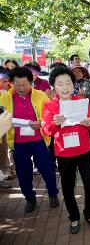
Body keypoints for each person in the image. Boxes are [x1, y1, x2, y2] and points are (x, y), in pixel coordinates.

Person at [41, 67, 90, 234]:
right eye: (60, 84)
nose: (65, 87)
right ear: (53, 86)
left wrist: (89, 123)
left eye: (68, 82)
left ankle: (89, 213)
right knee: (67, 187)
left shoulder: (81, 101)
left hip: (84, 151)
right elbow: (46, 130)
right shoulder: (50, 106)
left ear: (73, 84)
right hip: (64, 153)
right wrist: (55, 123)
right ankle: (73, 216)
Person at [0, 67, 59, 212]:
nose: (21, 88)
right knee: (23, 172)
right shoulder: (4, 98)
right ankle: (30, 198)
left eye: (25, 85)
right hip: (18, 142)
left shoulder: (40, 95)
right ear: (12, 83)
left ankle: (53, 194)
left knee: (47, 169)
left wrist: (41, 122)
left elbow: (50, 114)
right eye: (18, 85)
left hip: (38, 139)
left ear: (31, 82)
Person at [71, 64, 90, 153]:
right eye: (74, 72)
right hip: (75, 110)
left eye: (79, 71)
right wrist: (76, 96)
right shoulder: (69, 83)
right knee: (78, 129)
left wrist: (85, 95)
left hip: (88, 109)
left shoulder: (88, 81)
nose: (77, 73)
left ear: (83, 73)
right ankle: (79, 148)